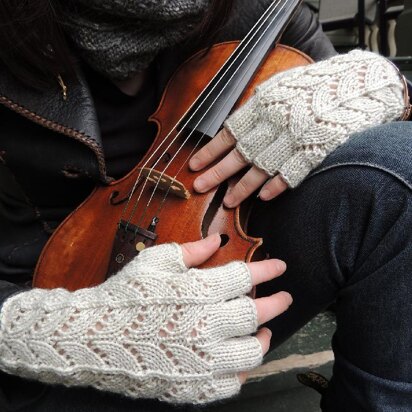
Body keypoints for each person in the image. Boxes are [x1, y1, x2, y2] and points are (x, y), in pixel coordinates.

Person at [0, 0, 410, 411]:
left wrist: (372, 87)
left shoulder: (262, 8)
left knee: (398, 162)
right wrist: (68, 334)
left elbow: (357, 149)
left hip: (224, 274)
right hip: (47, 313)